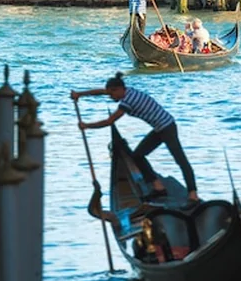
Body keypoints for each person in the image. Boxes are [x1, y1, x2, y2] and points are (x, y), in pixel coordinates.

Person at [71, 72, 199, 204]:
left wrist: (86, 126)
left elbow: (110, 121)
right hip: (160, 128)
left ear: (119, 89)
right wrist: (80, 94)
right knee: (137, 156)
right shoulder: (128, 91)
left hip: (167, 128)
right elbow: (101, 91)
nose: (110, 97)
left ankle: (193, 194)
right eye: (109, 94)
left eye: (112, 94)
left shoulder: (128, 101)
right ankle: (158, 187)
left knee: (181, 161)